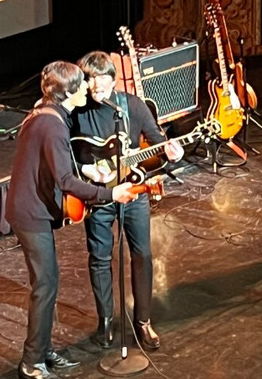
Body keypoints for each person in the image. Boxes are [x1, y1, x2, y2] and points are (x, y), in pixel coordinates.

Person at [4, 61, 138, 379]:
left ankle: (43, 350)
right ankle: (32, 362)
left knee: (48, 285)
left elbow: (56, 168)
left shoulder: (45, 114)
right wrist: (109, 193)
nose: (86, 90)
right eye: (81, 85)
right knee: (45, 286)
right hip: (30, 215)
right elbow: (65, 180)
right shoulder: (53, 126)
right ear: (69, 92)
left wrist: (90, 178)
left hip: (32, 210)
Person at [71, 51, 183, 350]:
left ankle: (143, 322)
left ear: (113, 82)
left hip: (133, 192)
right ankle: (105, 321)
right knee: (100, 258)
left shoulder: (131, 106)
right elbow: (64, 154)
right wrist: (84, 170)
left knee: (142, 254)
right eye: (92, 86)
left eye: (104, 87)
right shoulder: (76, 111)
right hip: (97, 195)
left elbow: (158, 142)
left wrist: (172, 153)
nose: (98, 93)